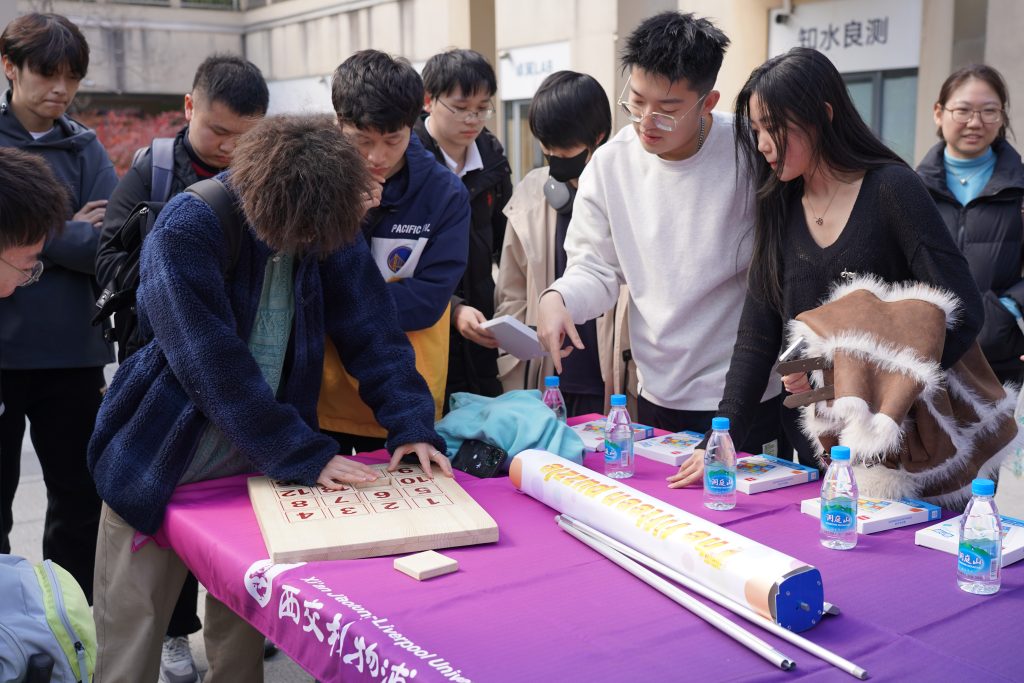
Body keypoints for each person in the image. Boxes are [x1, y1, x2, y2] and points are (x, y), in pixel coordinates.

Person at [87, 114, 452, 681]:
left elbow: (373, 330)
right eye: (302, 236)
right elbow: (208, 362)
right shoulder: (191, 223)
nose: (311, 246)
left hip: (263, 471)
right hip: (161, 459)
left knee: (242, 644)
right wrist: (301, 451)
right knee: (131, 640)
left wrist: (412, 425)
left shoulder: (323, 217)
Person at [667, 47, 984, 487]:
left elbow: (963, 310)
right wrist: (724, 439)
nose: (762, 144)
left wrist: (857, 379)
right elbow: (757, 332)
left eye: (773, 128)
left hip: (901, 456)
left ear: (823, 116)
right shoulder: (778, 203)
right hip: (812, 452)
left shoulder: (893, 189)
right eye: (756, 130)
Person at [94, 52, 269, 683]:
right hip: (157, 382)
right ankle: (173, 638)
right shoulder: (153, 172)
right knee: (150, 543)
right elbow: (107, 262)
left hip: (235, 396)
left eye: (243, 138)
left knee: (227, 558)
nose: (227, 148)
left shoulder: (265, 183)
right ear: (188, 108)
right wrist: (170, 266)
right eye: (217, 131)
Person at [536, 12, 785, 453]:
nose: (647, 121)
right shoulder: (611, 165)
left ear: (708, 102)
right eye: (636, 101)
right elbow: (595, 268)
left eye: (668, 111)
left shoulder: (750, 149)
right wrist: (559, 299)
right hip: (657, 389)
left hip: (744, 389)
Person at [0, 12, 117, 602]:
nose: (61, 89)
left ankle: (71, 624)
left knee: (78, 497)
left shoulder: (84, 144)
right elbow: (78, 238)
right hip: (3, 350)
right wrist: (62, 226)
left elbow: (108, 242)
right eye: (47, 73)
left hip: (73, 351)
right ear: (9, 67)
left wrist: (22, 230)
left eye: (71, 77)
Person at [318, 49, 470, 455]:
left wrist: (337, 307)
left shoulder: (444, 194)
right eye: (362, 141)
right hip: (320, 395)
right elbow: (300, 285)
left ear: (414, 122)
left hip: (408, 398)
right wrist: (348, 222)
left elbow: (428, 300)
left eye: (392, 140)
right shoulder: (311, 184)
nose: (376, 157)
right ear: (338, 124)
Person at [495, 70, 629, 414]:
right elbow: (511, 291)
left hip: (614, 377)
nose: (554, 156)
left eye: (564, 148)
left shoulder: (628, 192)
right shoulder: (530, 193)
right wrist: (518, 344)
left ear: (598, 137)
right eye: (546, 147)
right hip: (544, 379)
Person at [415, 48, 512, 405]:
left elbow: (505, 242)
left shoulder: (491, 156)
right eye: (461, 107)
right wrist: (452, 307)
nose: (473, 118)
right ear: (429, 100)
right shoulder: (408, 160)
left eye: (483, 107)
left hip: (482, 322)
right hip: (424, 326)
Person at [916, 64, 1024, 384]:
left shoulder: (1019, 187)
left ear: (1001, 116)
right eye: (963, 110)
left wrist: (1008, 310)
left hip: (1000, 361)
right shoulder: (910, 188)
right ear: (939, 113)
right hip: (928, 359)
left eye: (989, 111)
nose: (975, 123)